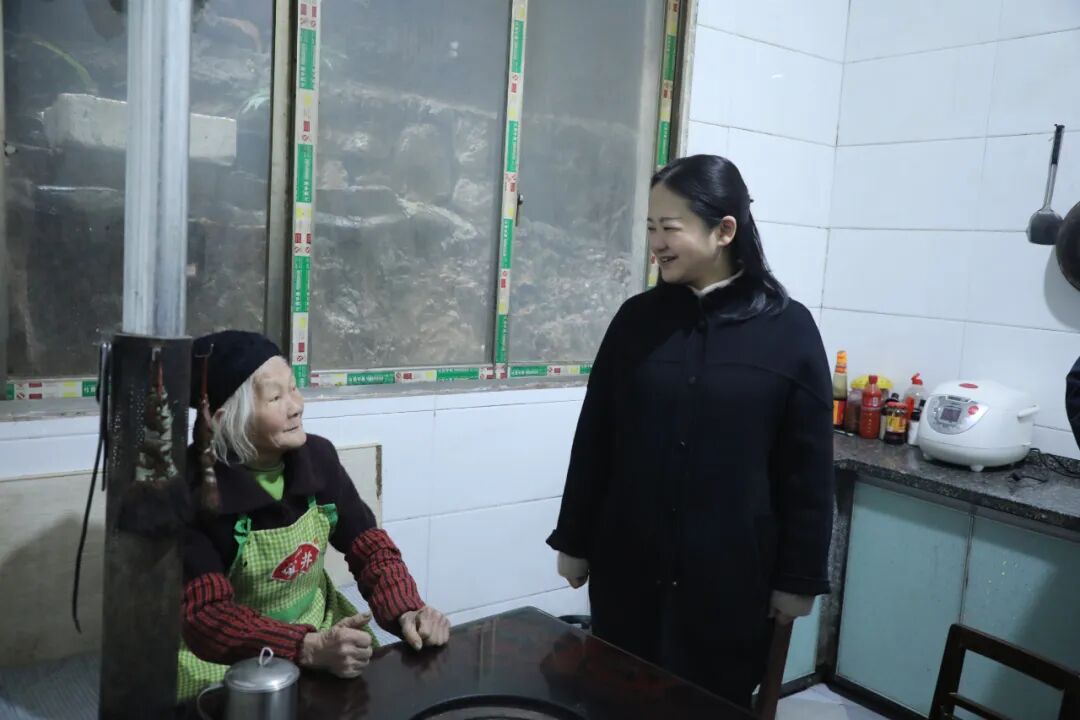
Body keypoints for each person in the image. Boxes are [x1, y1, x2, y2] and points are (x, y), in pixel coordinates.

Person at [546, 155, 834, 707]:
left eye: (669, 228)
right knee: (616, 699)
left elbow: (807, 470)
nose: (656, 243)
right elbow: (596, 439)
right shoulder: (636, 321)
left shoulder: (788, 330)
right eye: (650, 227)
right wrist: (574, 540)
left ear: (724, 230)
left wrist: (798, 579)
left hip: (729, 584)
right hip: (628, 570)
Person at [177, 331, 449, 703]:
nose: (296, 406)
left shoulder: (318, 460)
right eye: (276, 397)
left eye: (294, 388)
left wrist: (408, 610)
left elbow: (370, 548)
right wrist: (305, 647)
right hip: (227, 658)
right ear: (225, 419)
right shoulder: (192, 492)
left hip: (319, 630)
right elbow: (207, 617)